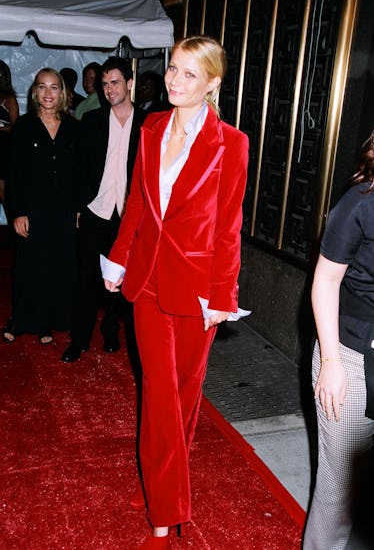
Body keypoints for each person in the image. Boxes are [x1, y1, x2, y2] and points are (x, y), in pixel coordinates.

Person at [102, 35, 249, 548]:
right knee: (161, 397)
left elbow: (228, 228)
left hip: (198, 291)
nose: (174, 80)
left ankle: (164, 483)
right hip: (147, 284)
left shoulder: (232, 143)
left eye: (189, 73)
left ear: (212, 83)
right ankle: (165, 517)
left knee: (185, 398)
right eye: (172, 68)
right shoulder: (151, 127)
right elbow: (138, 203)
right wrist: (118, 258)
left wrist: (222, 298)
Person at [303, 132, 374, 549]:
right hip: (349, 358)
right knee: (340, 494)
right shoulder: (361, 201)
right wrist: (329, 363)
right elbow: (325, 281)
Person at [61, 56, 147, 362]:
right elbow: (79, 168)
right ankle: (79, 338)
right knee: (86, 277)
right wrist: (78, 206)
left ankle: (111, 331)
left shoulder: (147, 125)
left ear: (129, 83)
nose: (109, 90)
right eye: (105, 84)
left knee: (119, 277)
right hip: (95, 210)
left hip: (128, 216)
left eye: (115, 83)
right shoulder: (93, 121)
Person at [3, 68, 80, 343]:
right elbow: (15, 174)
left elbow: (80, 173)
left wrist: (79, 209)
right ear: (35, 92)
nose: (48, 93)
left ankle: (48, 321)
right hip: (33, 210)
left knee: (57, 267)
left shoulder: (74, 127)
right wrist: (18, 212)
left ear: (62, 92)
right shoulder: (23, 126)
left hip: (63, 212)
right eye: (42, 87)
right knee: (28, 267)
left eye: (54, 87)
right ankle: (20, 318)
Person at [0, 60, 19, 218]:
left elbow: (16, 126)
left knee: (3, 191)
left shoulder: (9, 99)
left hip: (3, 148)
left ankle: (14, 227)